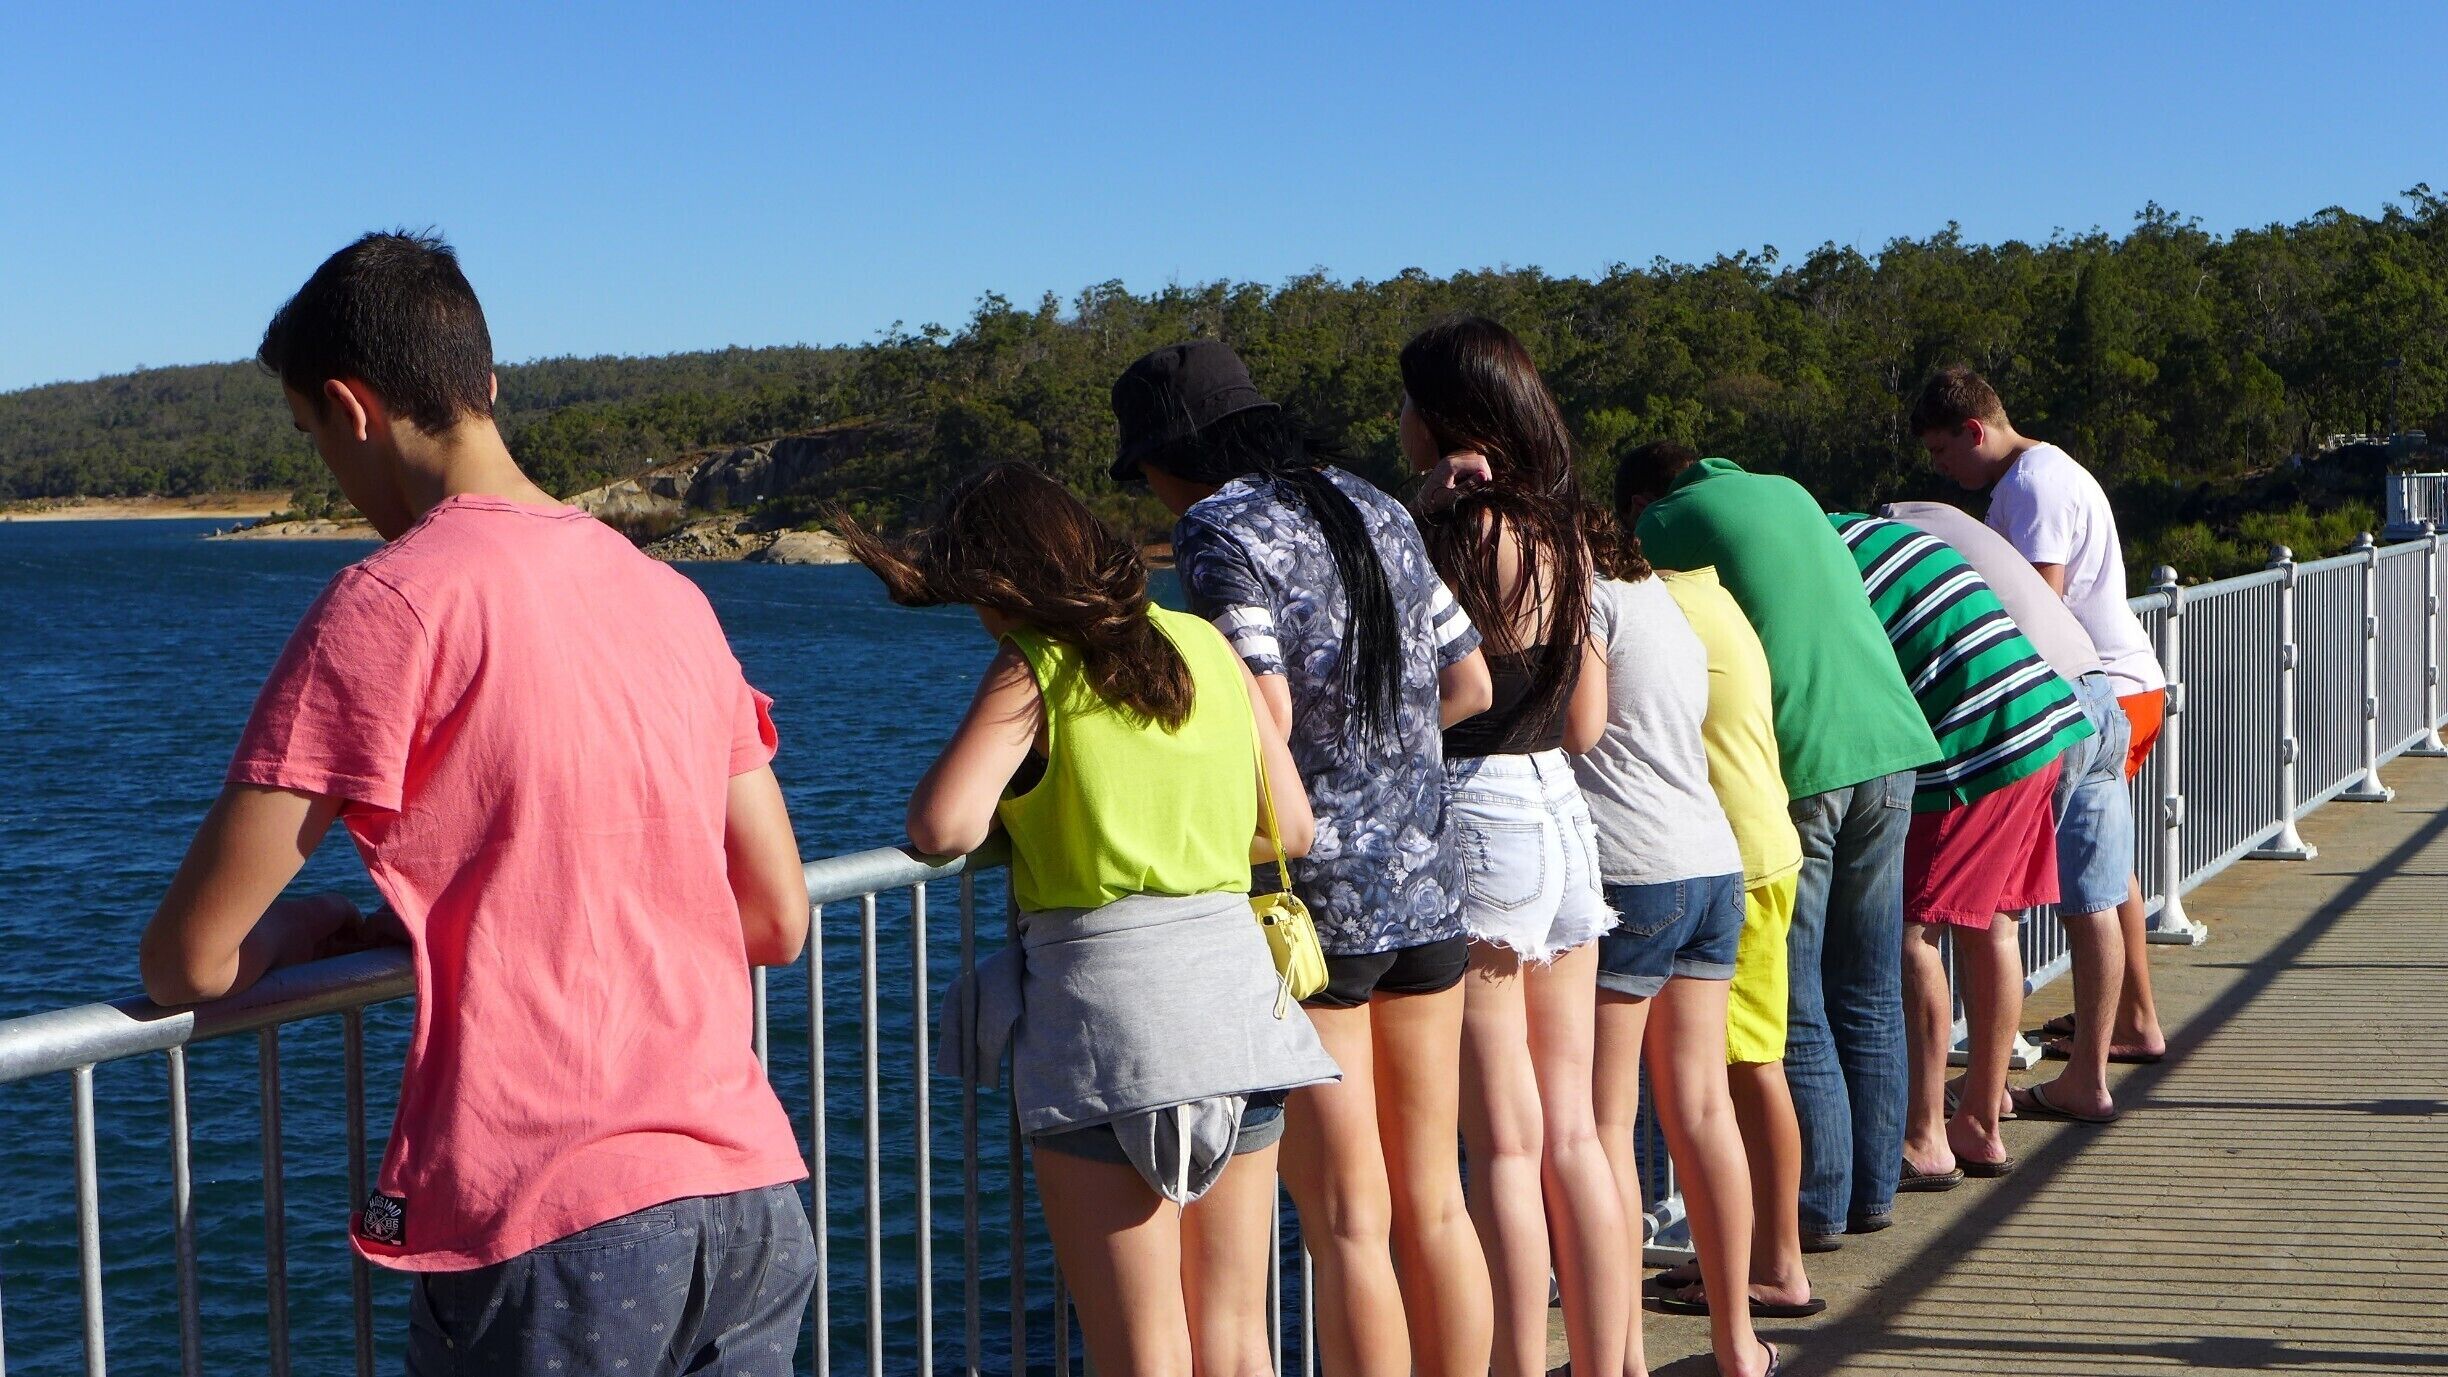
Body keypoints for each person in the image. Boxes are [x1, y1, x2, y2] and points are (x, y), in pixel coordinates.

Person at [137, 232, 819, 1372]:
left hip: (557, 1221)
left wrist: (311, 926)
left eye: (311, 435)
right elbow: (777, 919)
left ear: (349, 409)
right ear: (485, 384)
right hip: (747, 1198)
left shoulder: (389, 604)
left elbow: (187, 962)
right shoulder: (670, 599)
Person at [849, 462, 1342, 1377]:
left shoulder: (1034, 663)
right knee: (1237, 1339)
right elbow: (1293, 827)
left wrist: (1047, 822)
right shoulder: (1207, 645)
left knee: (1139, 1347)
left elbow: (943, 824)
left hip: (1110, 1028)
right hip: (1238, 1011)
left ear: (1003, 581)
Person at [1116, 341, 1495, 1377]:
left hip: (1316, 908)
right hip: (1427, 886)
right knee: (1434, 1199)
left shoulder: (1217, 527)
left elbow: (1262, 709)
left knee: (1347, 1220)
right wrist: (1387, 765)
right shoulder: (1378, 505)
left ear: (1174, 455)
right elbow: (1470, 684)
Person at [1624, 443, 1940, 1250]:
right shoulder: (1792, 491)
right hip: (1892, 746)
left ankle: (1812, 1209)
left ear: (1642, 504)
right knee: (1869, 987)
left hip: (1805, 762)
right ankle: (1872, 1193)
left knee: (1796, 1006)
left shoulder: (1665, 522)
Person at [1402, 317, 1625, 1377]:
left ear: (1447, 417)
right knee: (1573, 1131)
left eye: (1410, 402)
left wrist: (1414, 517)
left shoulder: (1454, 531)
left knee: (1501, 1140)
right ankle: (1607, 1359)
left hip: (1481, 815)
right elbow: (1584, 723)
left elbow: (1414, 676)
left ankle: (1516, 1366)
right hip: (1558, 813)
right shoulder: (1562, 533)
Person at [1572, 508, 1782, 1377]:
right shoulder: (1660, 597)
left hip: (1631, 872)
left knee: (1605, 1123)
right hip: (1711, 860)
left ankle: (1621, 1355)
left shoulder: (1584, 600)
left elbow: (1581, 726)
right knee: (1702, 1108)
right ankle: (1738, 1343)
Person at [1913, 365, 2171, 1070]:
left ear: (1974, 430)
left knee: (2047, 880)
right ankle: (2129, 1016)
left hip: (2092, 686)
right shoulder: (2049, 470)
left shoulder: (2030, 485)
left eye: (1942, 451)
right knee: (2104, 871)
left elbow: (2035, 605)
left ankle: (2081, 1027)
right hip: (2123, 683)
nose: (1941, 468)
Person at [1829, 513, 2091, 1183]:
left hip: (1976, 741)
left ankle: (1924, 1137)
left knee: (1909, 935)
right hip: (2039, 725)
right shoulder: (1870, 537)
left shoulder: (1818, 566)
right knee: (1993, 926)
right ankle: (1978, 1120)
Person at [1883, 500, 2136, 1125]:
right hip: (2098, 692)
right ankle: (2087, 1082)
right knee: (2095, 903)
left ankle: (1984, 1098)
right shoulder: (1952, 523)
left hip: (2034, 702)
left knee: (1991, 915)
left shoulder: (1893, 545)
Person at [1654, 559, 1819, 1325]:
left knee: (1749, 1069)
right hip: (1762, 843)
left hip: (1739, 861)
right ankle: (1749, 1252)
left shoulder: (1659, 608)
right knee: (1746, 1066)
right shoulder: (1712, 598)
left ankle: (1778, 1266)